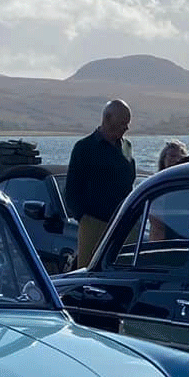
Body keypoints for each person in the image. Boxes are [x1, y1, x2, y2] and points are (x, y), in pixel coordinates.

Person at [64, 99, 136, 267]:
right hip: (95, 223)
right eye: (122, 123)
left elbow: (130, 181)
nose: (126, 128)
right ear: (107, 118)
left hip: (123, 222)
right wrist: (84, 218)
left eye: (127, 123)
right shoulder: (85, 148)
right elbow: (72, 189)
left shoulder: (127, 146)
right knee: (90, 270)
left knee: (124, 268)